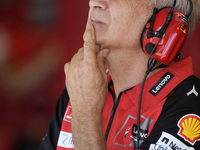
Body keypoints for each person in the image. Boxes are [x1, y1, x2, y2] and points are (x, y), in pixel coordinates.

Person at [39, 0, 200, 150]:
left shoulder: (190, 111)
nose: (94, 2)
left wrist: (86, 114)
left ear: (164, 21)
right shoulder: (82, 86)